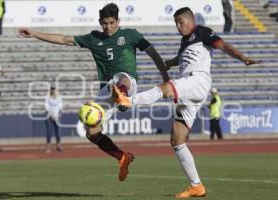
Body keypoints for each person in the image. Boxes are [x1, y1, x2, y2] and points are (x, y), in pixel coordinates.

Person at [113, 7, 259, 198]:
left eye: (180, 22)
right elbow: (182, 58)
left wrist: (243, 58)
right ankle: (196, 186)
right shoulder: (185, 41)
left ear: (190, 20)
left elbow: (223, 46)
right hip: (190, 88)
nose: (178, 26)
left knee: (165, 88)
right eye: (176, 23)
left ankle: (128, 100)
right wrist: (169, 63)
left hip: (198, 80)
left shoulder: (202, 32)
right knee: (177, 139)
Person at [18, 3, 168, 181]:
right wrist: (34, 33)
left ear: (118, 21)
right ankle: (122, 157)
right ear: (100, 22)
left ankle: (123, 97)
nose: (108, 27)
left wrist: (166, 77)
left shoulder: (130, 34)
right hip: (107, 88)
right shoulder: (93, 38)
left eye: (112, 22)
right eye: (104, 23)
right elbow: (64, 39)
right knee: (92, 132)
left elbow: (153, 53)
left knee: (122, 77)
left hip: (127, 82)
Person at [45, 86, 63, 153]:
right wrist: (51, 116)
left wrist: (57, 116)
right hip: (49, 118)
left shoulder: (59, 98)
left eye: (55, 90)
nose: (55, 92)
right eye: (53, 90)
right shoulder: (48, 98)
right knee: (49, 132)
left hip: (57, 118)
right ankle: (48, 146)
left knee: (58, 132)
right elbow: (47, 108)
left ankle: (58, 145)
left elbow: (60, 108)